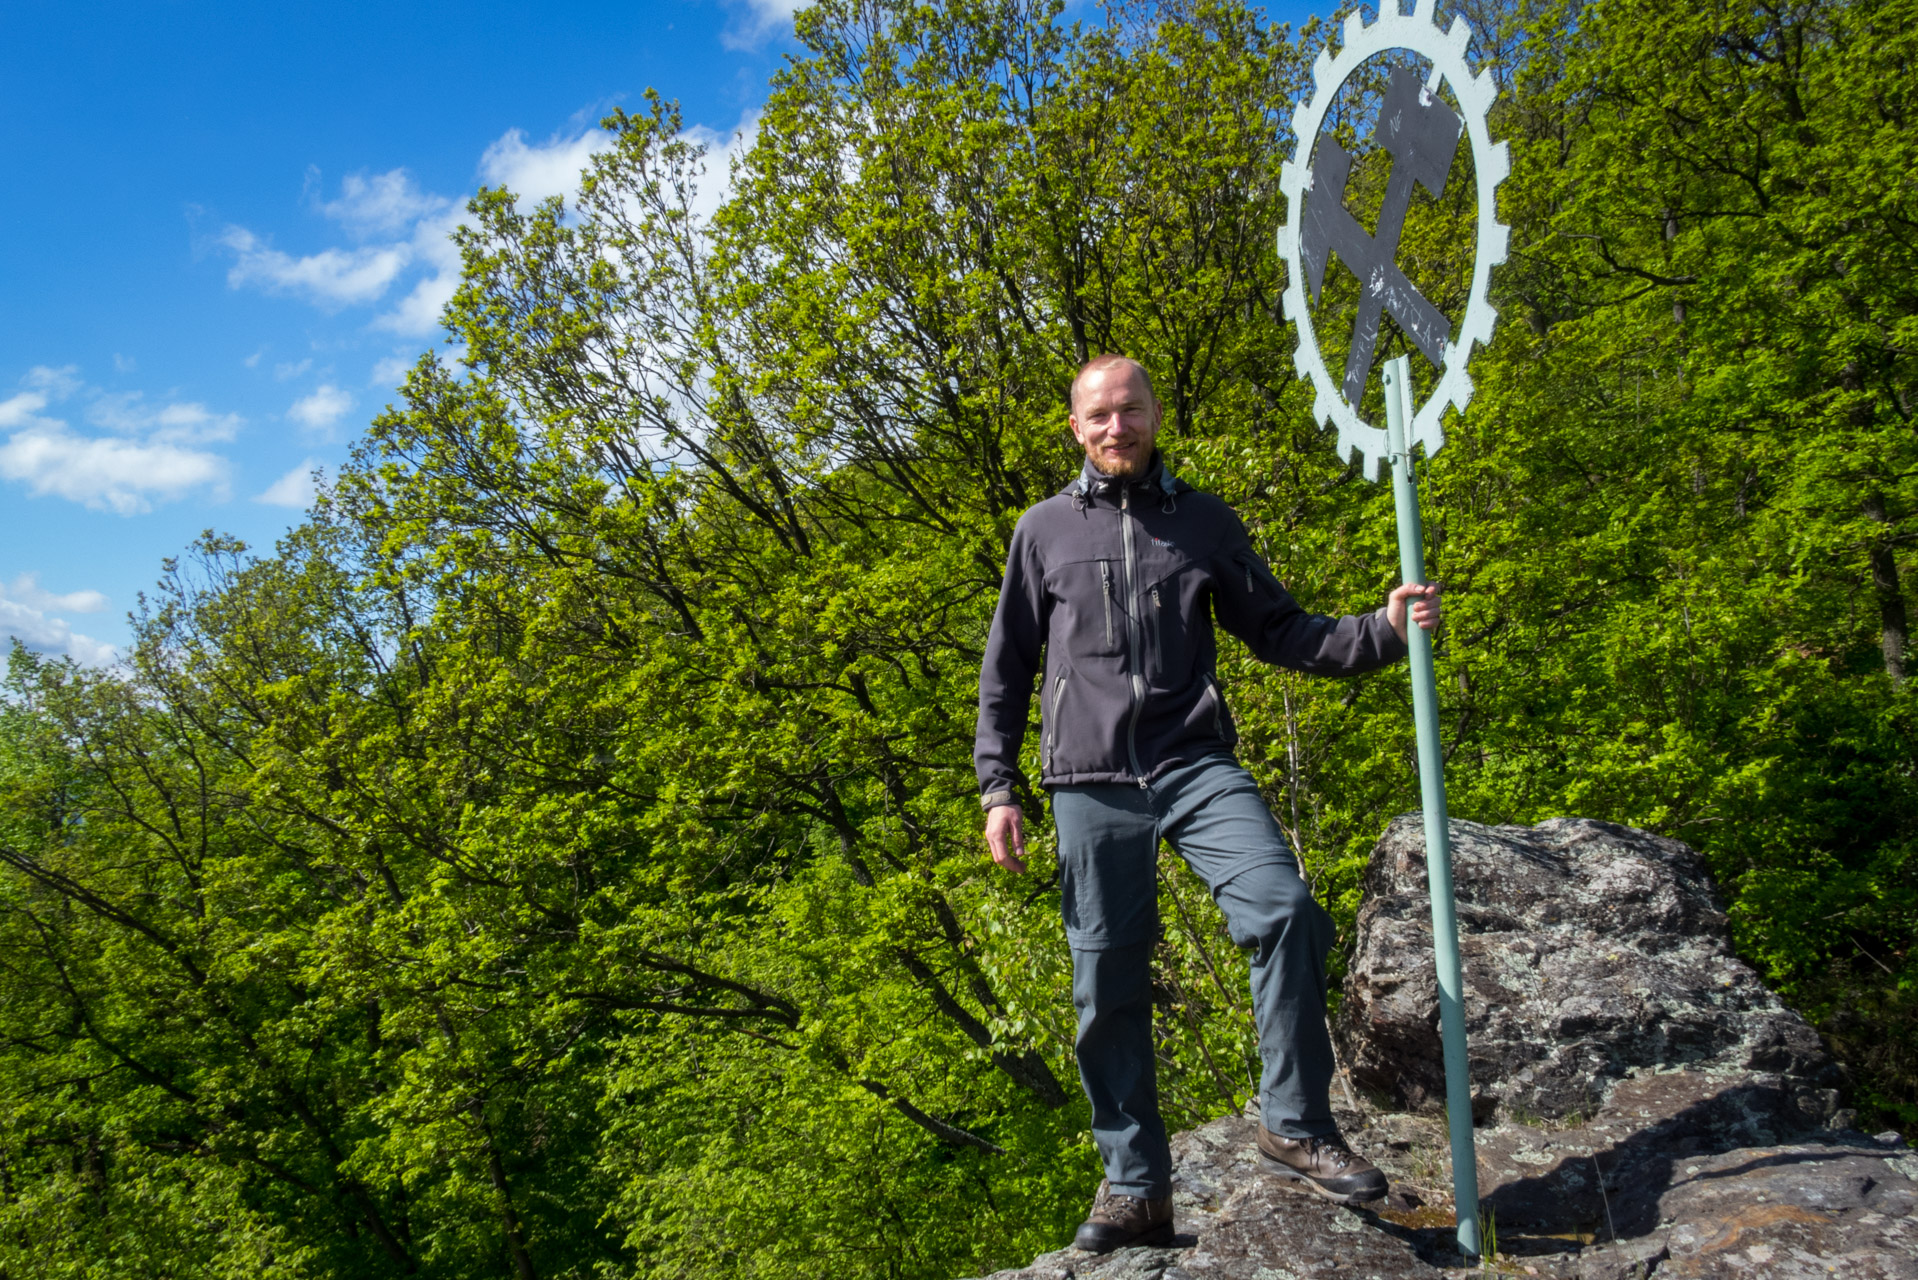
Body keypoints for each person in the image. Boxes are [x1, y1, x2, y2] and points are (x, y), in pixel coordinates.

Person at [974, 354, 1441, 1253]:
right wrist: (1001, 787)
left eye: (1132, 411)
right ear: (1076, 428)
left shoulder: (1203, 522)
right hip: (1089, 781)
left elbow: (1281, 630)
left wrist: (1380, 633)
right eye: (1100, 415)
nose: (1118, 427)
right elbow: (1006, 671)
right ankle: (1136, 1187)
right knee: (1105, 980)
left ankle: (1295, 1124)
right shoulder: (1042, 532)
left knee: (1285, 909)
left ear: (1156, 416)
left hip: (1194, 765)